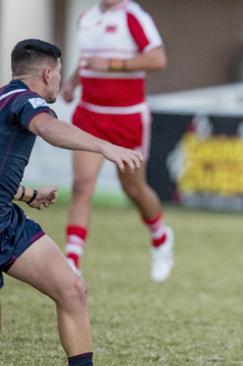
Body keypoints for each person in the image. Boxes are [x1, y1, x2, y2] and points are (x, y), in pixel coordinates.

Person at [1, 39, 143, 366]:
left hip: (6, 218)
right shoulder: (26, 101)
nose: (62, 80)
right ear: (48, 74)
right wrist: (105, 146)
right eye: (61, 73)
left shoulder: (4, 97)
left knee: (71, 289)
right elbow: (49, 127)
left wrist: (26, 194)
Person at [61, 0, 173, 282]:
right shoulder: (86, 18)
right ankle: (71, 262)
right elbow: (88, 59)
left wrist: (113, 65)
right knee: (82, 185)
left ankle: (160, 237)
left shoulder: (134, 17)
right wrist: (73, 82)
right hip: (89, 114)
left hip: (126, 118)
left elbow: (158, 59)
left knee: (133, 188)